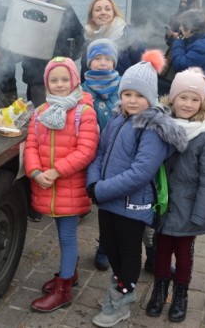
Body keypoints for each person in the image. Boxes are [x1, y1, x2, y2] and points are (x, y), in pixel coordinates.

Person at [86, 50, 187, 327]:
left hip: (133, 205)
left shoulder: (152, 128)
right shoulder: (119, 118)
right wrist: (92, 183)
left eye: (139, 96)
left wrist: (101, 190)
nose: (132, 100)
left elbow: (140, 173)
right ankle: (117, 290)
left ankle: (122, 301)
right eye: (127, 94)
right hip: (107, 200)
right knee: (110, 246)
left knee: (128, 253)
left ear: (150, 98)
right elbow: (100, 153)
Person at [24, 57, 99, 313]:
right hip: (48, 185)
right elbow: (31, 144)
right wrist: (35, 171)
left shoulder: (84, 112)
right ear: (46, 83)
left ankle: (63, 289)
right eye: (53, 80)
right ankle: (71, 273)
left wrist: (56, 171)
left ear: (75, 80)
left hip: (69, 185)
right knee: (60, 232)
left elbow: (86, 150)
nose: (59, 84)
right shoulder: (41, 112)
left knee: (67, 236)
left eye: (64, 79)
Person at [146, 67, 205, 322]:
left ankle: (180, 295)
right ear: (172, 98)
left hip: (189, 207)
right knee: (161, 248)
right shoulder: (161, 125)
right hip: (163, 204)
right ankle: (159, 291)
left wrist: (201, 213)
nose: (188, 104)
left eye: (194, 99)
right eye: (183, 97)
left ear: (202, 102)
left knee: (184, 253)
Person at [19, 0, 85, 106]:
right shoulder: (20, 9)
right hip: (35, 79)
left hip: (61, 79)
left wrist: (67, 60)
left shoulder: (61, 6)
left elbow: (79, 36)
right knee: (40, 119)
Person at [81, 38, 120, 272]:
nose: (102, 63)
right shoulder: (83, 90)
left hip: (118, 153)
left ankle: (106, 247)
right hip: (94, 153)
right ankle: (104, 246)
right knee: (100, 201)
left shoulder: (124, 85)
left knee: (112, 202)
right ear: (89, 62)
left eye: (107, 59)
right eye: (97, 59)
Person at [81, 0, 146, 77]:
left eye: (107, 9)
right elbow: (84, 72)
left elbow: (142, 65)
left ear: (114, 14)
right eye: (98, 10)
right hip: (91, 88)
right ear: (92, 17)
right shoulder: (88, 37)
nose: (103, 12)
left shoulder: (127, 33)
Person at [169, 9, 205, 97]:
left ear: (189, 29)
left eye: (182, 25)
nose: (180, 28)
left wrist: (178, 41)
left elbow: (182, 65)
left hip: (201, 95)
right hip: (197, 91)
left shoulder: (203, 46)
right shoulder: (199, 41)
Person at [161, 0, 201, 95]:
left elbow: (193, 37)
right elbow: (168, 41)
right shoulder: (175, 16)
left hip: (186, 55)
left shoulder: (198, 19)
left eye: (185, 2)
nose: (183, 5)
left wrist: (178, 36)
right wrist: (169, 35)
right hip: (173, 53)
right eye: (181, 2)